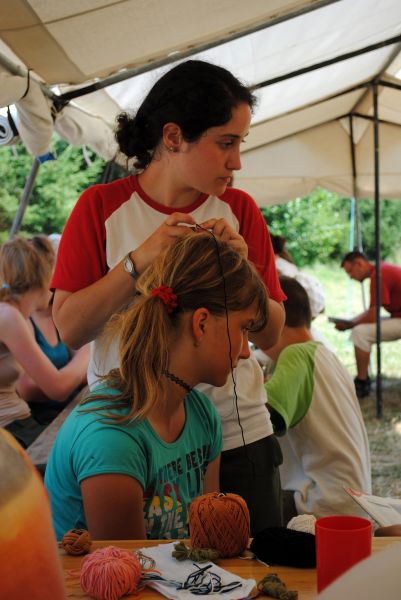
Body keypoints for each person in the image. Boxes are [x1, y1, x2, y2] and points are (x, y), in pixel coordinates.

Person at [51, 60, 286, 534]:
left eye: (240, 144)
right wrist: (138, 262)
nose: (236, 161)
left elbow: (272, 333)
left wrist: (246, 274)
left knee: (255, 572)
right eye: (226, 143)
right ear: (174, 137)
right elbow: (70, 329)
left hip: (235, 433)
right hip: (130, 438)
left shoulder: (240, 211)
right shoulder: (100, 207)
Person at [45, 232, 268, 540]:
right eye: (243, 329)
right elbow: (127, 577)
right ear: (201, 323)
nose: (246, 351)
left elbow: (205, 546)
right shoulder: (112, 437)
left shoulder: (201, 414)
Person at [264, 276, 372, 523]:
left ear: (272, 321)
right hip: (354, 500)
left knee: (238, 497)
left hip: (321, 504)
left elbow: (263, 415)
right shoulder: (327, 355)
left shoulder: (295, 355)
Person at [0, 237, 89, 448]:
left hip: (19, 422)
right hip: (12, 428)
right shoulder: (8, 316)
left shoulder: (13, 314)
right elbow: (56, 388)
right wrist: (90, 351)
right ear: (45, 277)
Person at [335, 251, 401, 398]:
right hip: (397, 316)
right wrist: (351, 322)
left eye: (350, 271)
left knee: (360, 333)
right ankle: (362, 379)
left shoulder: (379, 275)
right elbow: (372, 312)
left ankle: (362, 382)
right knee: (360, 329)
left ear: (359, 263)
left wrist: (350, 325)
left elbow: (372, 316)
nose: (350, 277)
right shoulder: (380, 270)